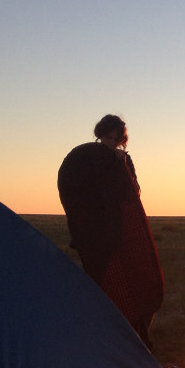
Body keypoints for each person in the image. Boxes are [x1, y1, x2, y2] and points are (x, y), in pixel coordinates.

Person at [58, 115, 164, 349]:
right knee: (102, 285)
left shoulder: (122, 161)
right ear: (100, 134)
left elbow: (133, 193)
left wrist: (122, 167)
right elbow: (76, 196)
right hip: (94, 237)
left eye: (117, 139)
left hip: (120, 235)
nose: (112, 143)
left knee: (133, 281)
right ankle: (104, 337)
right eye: (109, 137)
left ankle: (138, 337)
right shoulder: (85, 160)